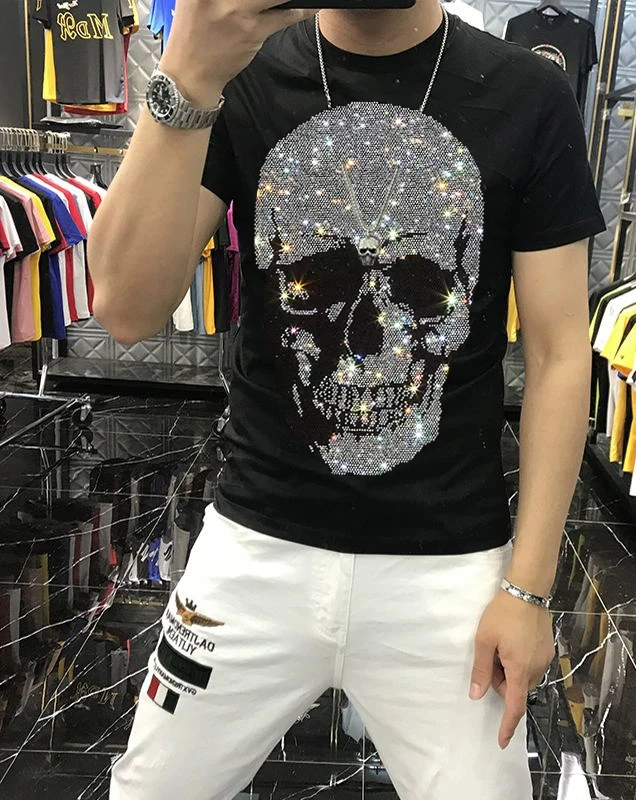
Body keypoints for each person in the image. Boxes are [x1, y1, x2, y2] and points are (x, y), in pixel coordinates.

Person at [89, 0, 605, 796]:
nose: (367, 336)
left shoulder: (526, 95)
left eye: (423, 286)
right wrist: (187, 76)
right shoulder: (242, 73)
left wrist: (529, 587)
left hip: (450, 575)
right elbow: (125, 309)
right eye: (317, 283)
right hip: (251, 553)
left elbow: (561, 354)